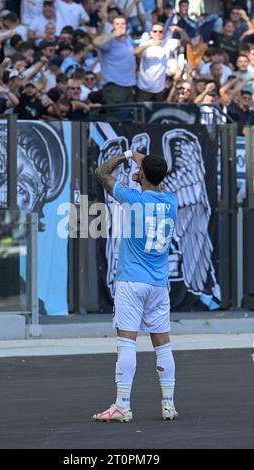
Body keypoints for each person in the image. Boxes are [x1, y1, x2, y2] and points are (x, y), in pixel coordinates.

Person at [93, 149, 178, 422]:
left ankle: (122, 404)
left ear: (141, 175)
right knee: (163, 345)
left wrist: (128, 155)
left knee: (126, 343)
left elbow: (101, 174)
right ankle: (168, 404)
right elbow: (157, 178)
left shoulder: (132, 199)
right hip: (158, 284)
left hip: (132, 281)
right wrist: (144, 171)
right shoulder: (171, 201)